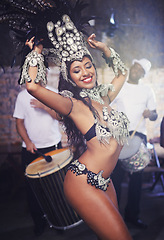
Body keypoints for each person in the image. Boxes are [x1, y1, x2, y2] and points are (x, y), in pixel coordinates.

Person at [3, 1, 132, 239]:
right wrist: (36, 53)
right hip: (82, 182)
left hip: (105, 179)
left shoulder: (104, 95)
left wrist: (103, 48)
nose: (85, 72)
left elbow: (123, 72)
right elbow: (32, 86)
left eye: (87, 65)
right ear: (69, 77)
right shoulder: (71, 105)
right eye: (77, 69)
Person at [111, 58, 158, 229]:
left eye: (141, 70)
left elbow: (155, 115)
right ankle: (113, 216)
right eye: (136, 67)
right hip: (119, 135)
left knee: (136, 179)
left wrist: (149, 114)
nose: (137, 70)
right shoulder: (120, 86)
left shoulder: (147, 90)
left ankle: (132, 216)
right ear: (131, 67)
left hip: (139, 136)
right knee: (115, 177)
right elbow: (106, 104)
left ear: (144, 75)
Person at [13, 86, 62, 236]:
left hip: (53, 147)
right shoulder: (22, 96)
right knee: (33, 190)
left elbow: (60, 116)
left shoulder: (52, 92)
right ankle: (39, 223)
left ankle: (59, 223)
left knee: (55, 188)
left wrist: (44, 105)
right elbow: (19, 122)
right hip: (31, 149)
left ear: (44, 72)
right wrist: (27, 141)